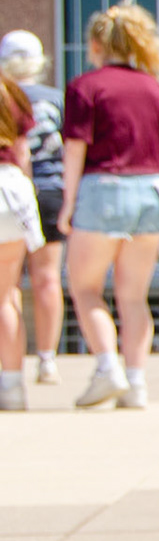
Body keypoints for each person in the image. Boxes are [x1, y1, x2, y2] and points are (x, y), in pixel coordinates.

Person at [58, 0, 159, 411]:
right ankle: (136, 382)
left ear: (96, 46)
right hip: (151, 191)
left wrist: (68, 203)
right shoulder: (156, 88)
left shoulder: (85, 86)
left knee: (86, 288)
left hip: (102, 189)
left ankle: (106, 366)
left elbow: (75, 150)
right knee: (134, 296)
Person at [1, 30, 64, 384]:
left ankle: (10, 368)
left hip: (10, 190)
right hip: (51, 190)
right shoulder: (56, 98)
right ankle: (47, 359)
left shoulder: (6, 94)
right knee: (47, 278)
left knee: (7, 288)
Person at [0, 75, 44, 411]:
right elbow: (23, 152)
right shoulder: (10, 91)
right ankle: (13, 387)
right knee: (5, 294)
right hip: (11, 189)